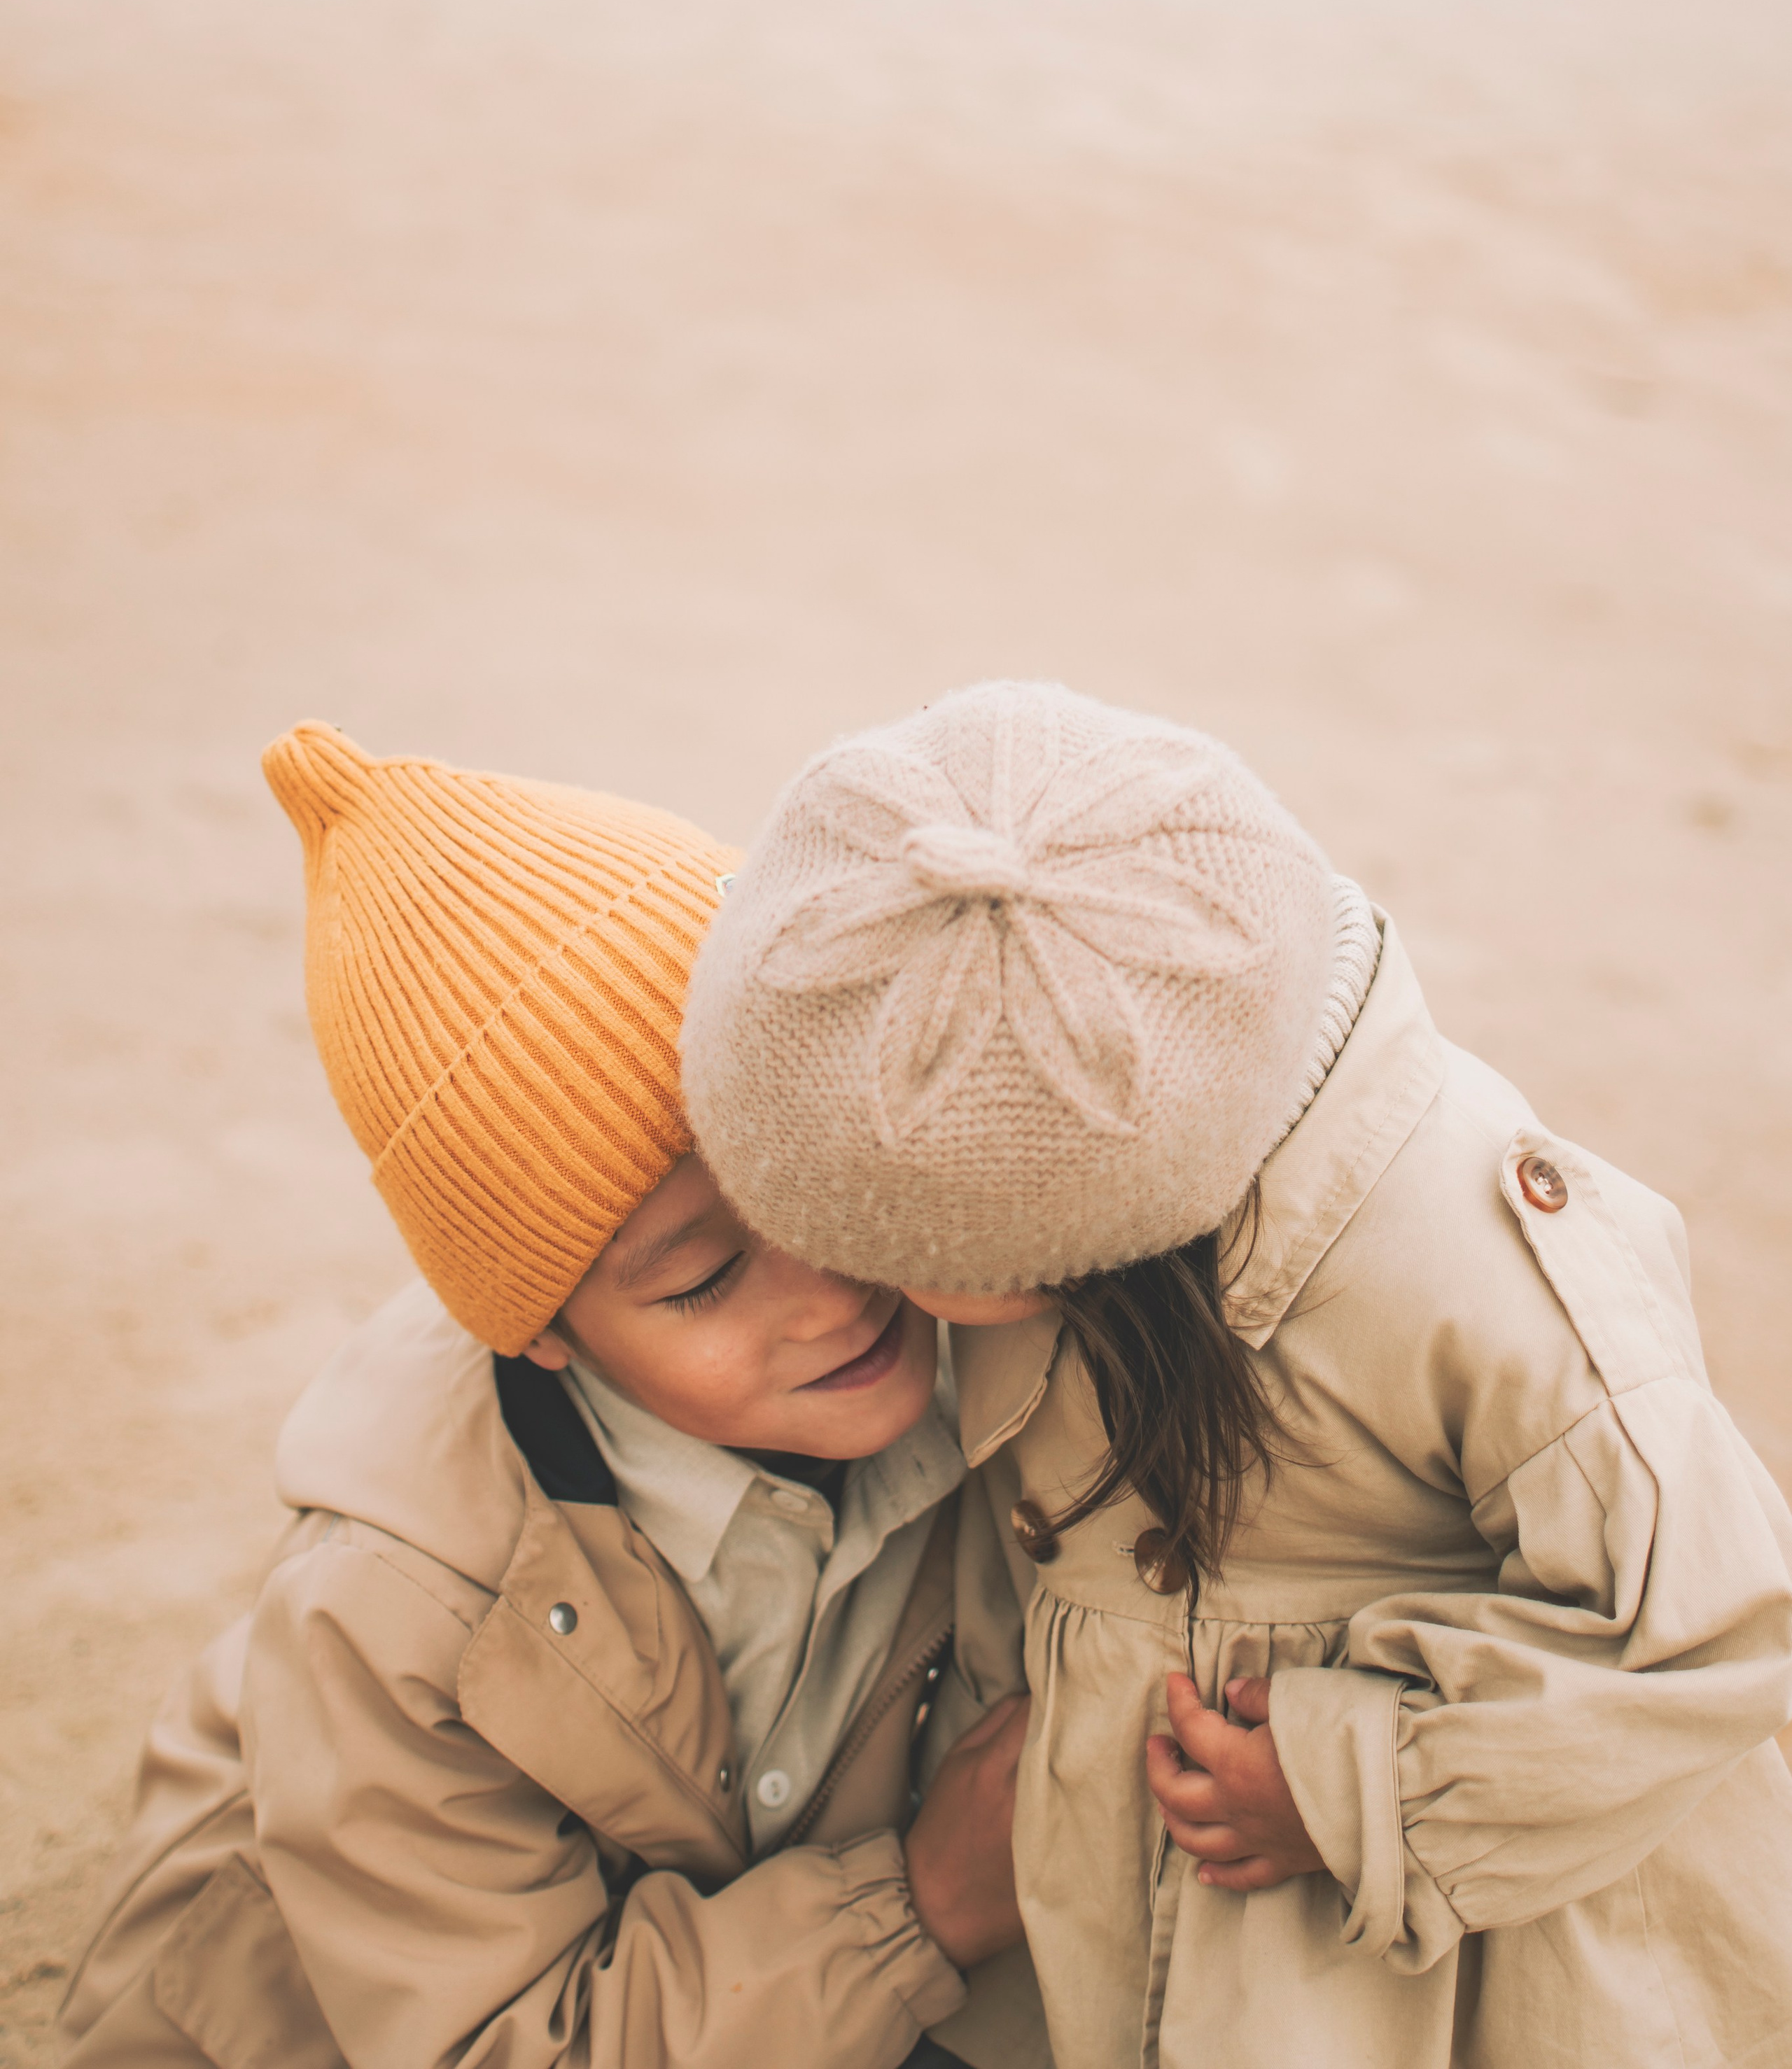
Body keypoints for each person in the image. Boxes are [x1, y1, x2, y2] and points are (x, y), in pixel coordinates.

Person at [680, 676, 1792, 2069]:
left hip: (1429, 1975)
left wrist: (1355, 1787)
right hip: (1113, 1932)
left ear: (1078, 1229)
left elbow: (1703, 1634)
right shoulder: (1091, 1169)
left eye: (892, 1252)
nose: (856, 1290)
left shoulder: (1460, 1262)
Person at [59, 722, 1044, 2069]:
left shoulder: (970, 1312)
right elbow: (504, 2044)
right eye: (702, 1278)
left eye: (813, 1164)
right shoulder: (390, 1622)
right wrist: (922, 1901)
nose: (829, 1285)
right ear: (540, 1338)